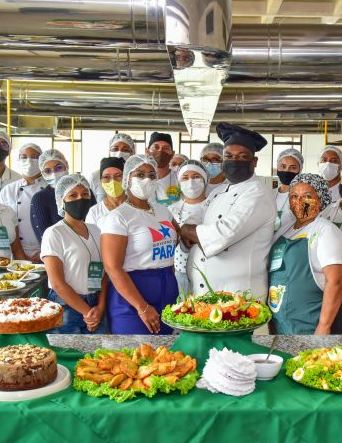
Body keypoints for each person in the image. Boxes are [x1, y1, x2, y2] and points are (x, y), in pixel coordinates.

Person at [180, 123, 275, 300]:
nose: (234, 161)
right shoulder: (218, 191)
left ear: (254, 162)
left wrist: (189, 231)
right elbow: (195, 217)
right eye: (228, 156)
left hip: (239, 297)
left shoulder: (257, 194)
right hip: (206, 294)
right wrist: (196, 233)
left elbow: (221, 235)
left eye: (242, 156)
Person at [100, 154, 179, 334]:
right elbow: (112, 267)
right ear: (127, 179)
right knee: (135, 354)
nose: (146, 180)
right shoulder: (118, 217)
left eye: (152, 175)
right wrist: (142, 307)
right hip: (133, 294)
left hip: (166, 289)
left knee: (165, 355)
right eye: (140, 175)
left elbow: (173, 242)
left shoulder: (163, 212)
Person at [269, 173, 342, 334]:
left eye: (307, 196)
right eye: (293, 196)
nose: (299, 202)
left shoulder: (325, 231)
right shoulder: (286, 229)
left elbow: (337, 280)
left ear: (320, 201)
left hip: (308, 325)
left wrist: (324, 326)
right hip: (281, 324)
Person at [42, 173, 107, 334]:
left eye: (85, 194)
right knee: (68, 356)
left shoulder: (96, 230)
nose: (80, 199)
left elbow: (106, 273)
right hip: (67, 307)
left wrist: (100, 306)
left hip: (96, 303)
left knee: (101, 355)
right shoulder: (54, 233)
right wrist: (87, 312)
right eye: (73, 195)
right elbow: (58, 284)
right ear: (61, 201)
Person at [0, 143, 49, 262]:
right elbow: (1, 224)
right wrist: (15, 254)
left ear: (42, 160)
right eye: (24, 157)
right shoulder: (8, 190)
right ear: (18, 160)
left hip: (48, 250)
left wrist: (46, 251)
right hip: (16, 251)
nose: (29, 160)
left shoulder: (51, 188)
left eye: (35, 156)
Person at [168, 160, 209, 294]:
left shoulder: (214, 206)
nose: (190, 182)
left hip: (208, 272)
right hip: (178, 274)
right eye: (185, 178)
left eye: (196, 176)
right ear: (179, 183)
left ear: (205, 180)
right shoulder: (170, 211)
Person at [30, 148, 72, 242]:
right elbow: (45, 239)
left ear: (67, 165)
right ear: (42, 174)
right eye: (48, 171)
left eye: (58, 168)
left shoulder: (84, 191)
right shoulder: (40, 199)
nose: (54, 174)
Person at [89, 133, 135, 202]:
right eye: (115, 149)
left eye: (125, 150)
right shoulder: (96, 176)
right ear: (109, 151)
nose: (119, 153)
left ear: (132, 153)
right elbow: (90, 203)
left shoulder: (136, 176)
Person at [86, 157, 126, 227]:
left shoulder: (137, 207)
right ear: (101, 180)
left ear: (126, 178)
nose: (113, 181)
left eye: (118, 176)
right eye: (106, 177)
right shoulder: (95, 212)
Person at [147, 132, 181, 206]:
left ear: (172, 154)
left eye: (166, 148)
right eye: (156, 147)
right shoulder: (140, 179)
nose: (160, 151)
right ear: (147, 151)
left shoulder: (179, 178)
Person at [274, 148, 304, 231]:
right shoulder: (269, 194)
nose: (287, 171)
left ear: (300, 170)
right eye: (283, 166)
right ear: (277, 167)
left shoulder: (303, 198)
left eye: (293, 168)